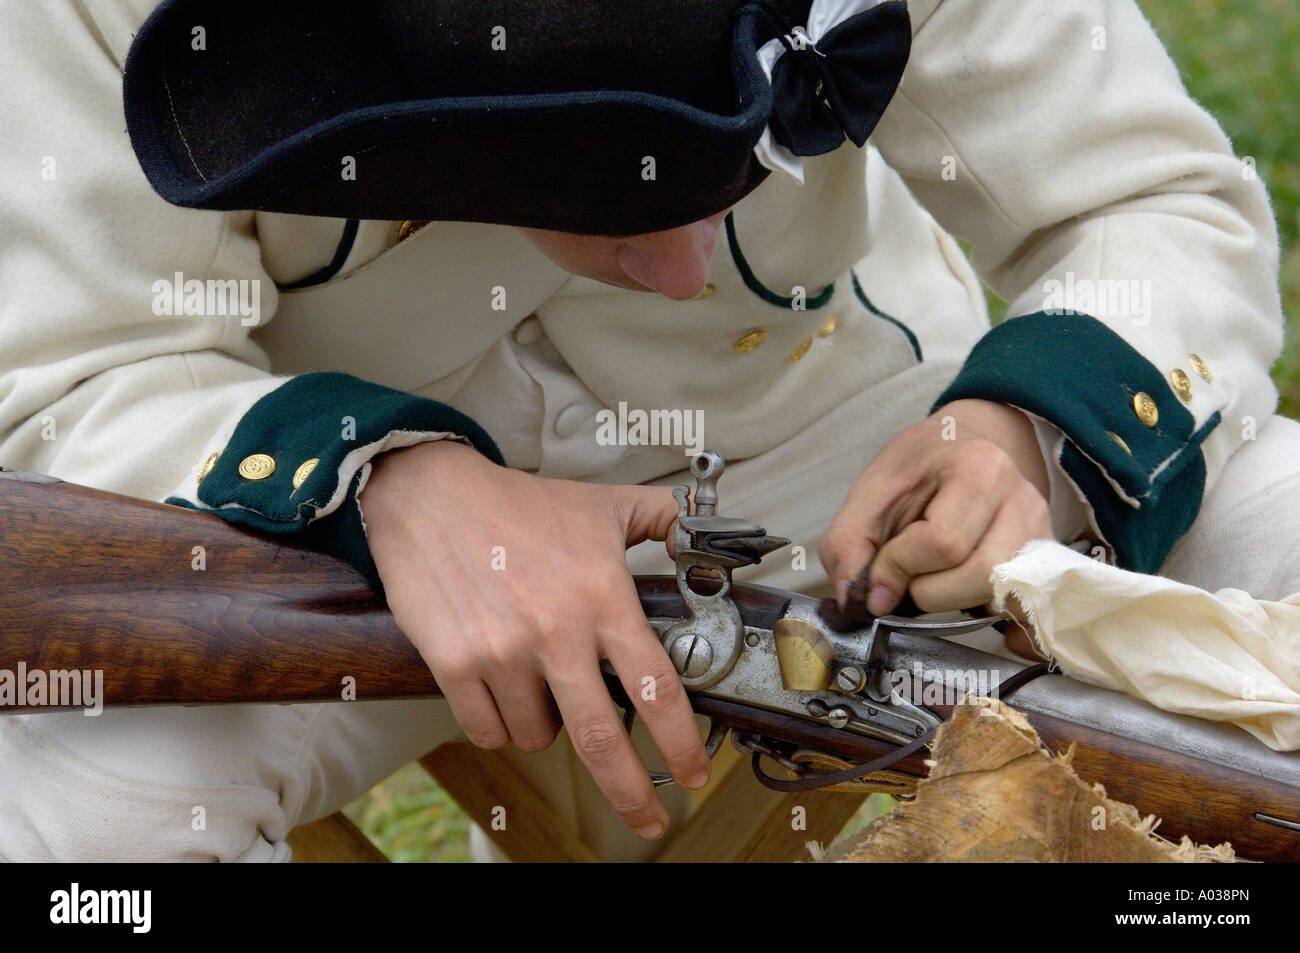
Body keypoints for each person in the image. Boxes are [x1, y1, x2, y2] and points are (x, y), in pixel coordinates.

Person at [1, 0, 1296, 862]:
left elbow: (1154, 201)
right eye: (615, 196)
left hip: (837, 435)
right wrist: (391, 481)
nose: (683, 264)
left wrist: (1023, 425)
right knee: (75, 813)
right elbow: (75, 363)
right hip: (331, 554)